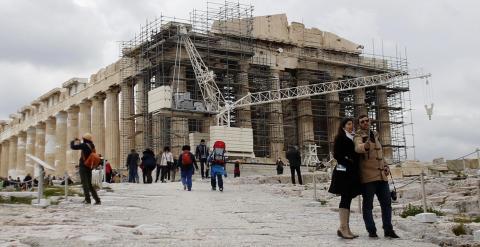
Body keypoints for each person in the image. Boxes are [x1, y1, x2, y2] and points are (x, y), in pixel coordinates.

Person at [354, 115, 399, 239]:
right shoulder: (358, 136)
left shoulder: (376, 135)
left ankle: (388, 229)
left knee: (387, 204)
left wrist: (385, 165)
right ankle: (371, 230)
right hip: (368, 177)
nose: (365, 123)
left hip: (381, 176)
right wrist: (365, 146)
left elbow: (380, 154)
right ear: (359, 124)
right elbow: (358, 148)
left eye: (367, 121)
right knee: (368, 206)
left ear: (370, 122)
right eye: (362, 122)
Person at [328, 118, 362, 239]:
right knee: (345, 198)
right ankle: (343, 228)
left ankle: (346, 228)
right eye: (348, 124)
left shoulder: (353, 137)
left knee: (347, 198)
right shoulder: (340, 137)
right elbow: (337, 154)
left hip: (351, 172)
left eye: (352, 124)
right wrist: (348, 160)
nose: (351, 126)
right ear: (343, 126)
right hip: (343, 173)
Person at [70, 133, 101, 205]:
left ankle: (87, 200)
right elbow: (85, 147)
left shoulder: (84, 145)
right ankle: (97, 200)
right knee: (89, 184)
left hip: (83, 166)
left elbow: (73, 147)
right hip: (89, 166)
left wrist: (73, 141)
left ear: (84, 139)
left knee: (85, 184)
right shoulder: (92, 145)